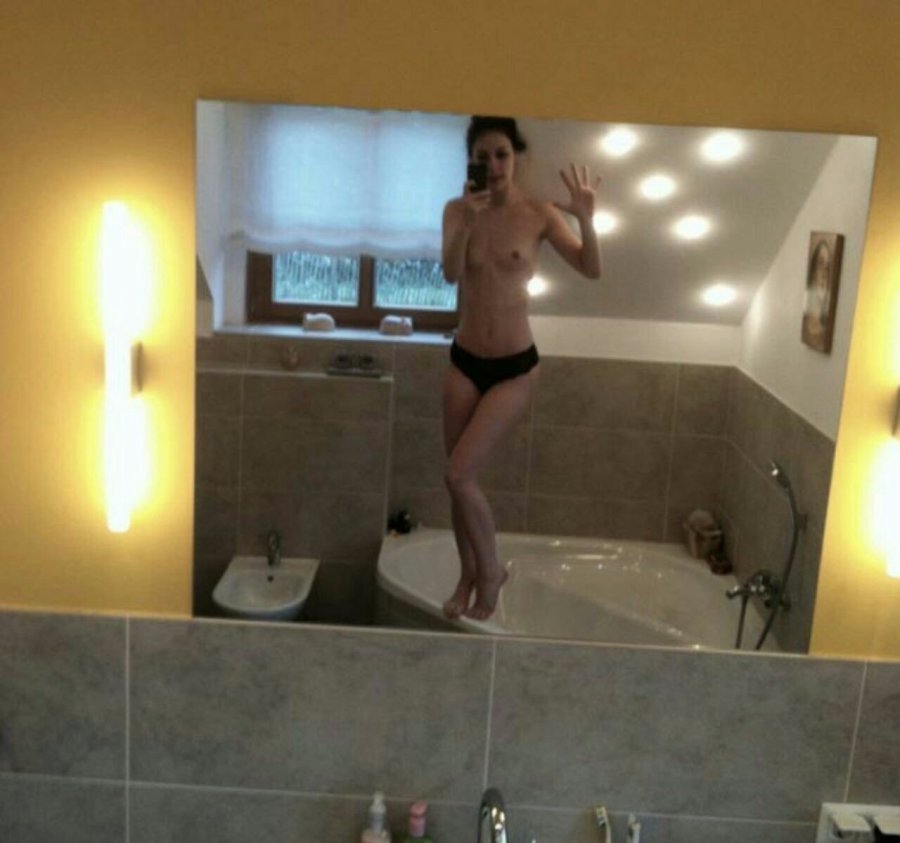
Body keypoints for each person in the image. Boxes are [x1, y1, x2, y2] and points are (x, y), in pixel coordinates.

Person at [440, 115, 602, 621]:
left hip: (514, 366)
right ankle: (466, 575)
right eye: (482, 157)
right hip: (464, 361)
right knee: (455, 482)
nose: (493, 166)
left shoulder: (538, 214)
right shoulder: (456, 210)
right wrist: (467, 224)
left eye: (502, 155)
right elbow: (449, 273)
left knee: (459, 473)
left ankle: (491, 573)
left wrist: (587, 219)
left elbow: (591, 269)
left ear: (517, 157)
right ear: (471, 161)